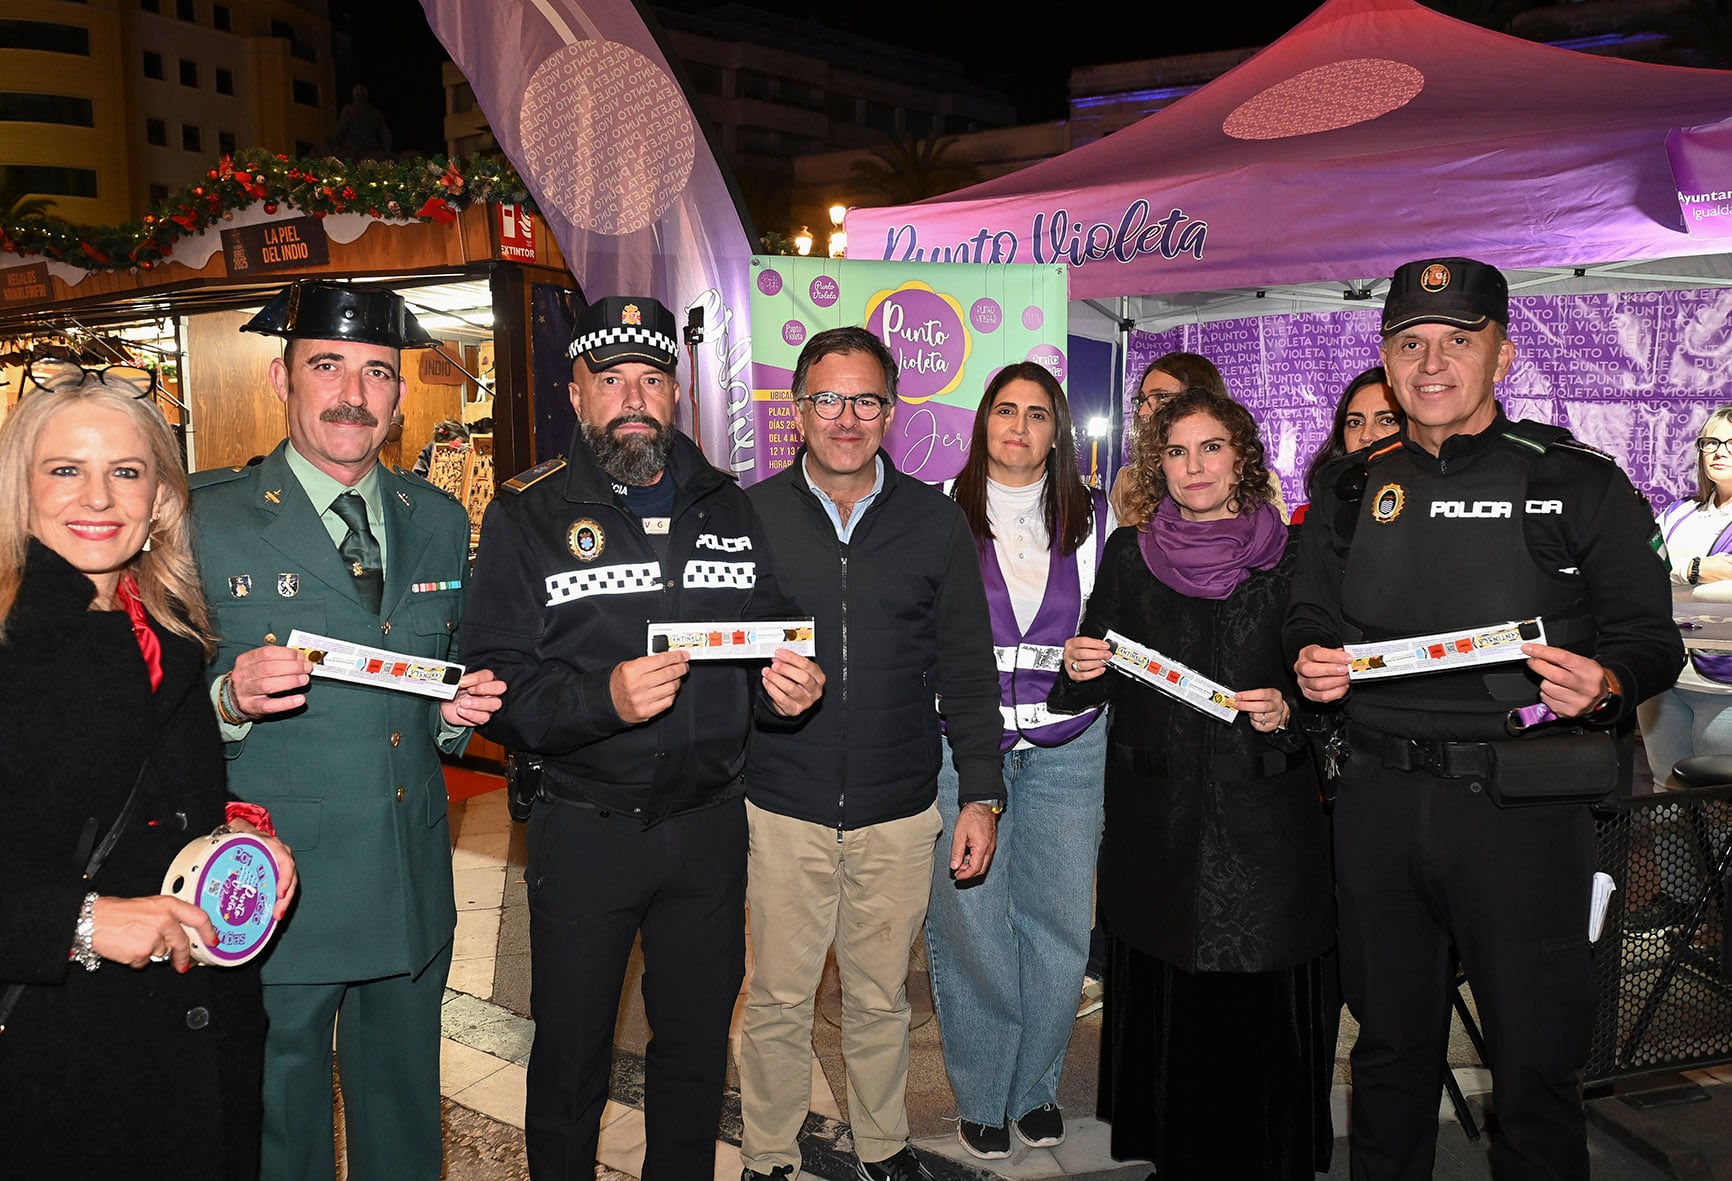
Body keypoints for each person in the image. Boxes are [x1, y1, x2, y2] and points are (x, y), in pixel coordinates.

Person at [1286, 256, 1685, 1180]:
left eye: (1459, 341)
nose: (1432, 363)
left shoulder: (1578, 482)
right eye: (1410, 343)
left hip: (1523, 814)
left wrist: (1609, 682)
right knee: (1388, 1055)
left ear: (1502, 355)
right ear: (1385, 361)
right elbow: (1310, 611)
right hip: (1379, 803)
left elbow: (1650, 637)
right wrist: (1310, 657)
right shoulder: (1350, 489)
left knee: (1536, 1068)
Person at [458, 295, 824, 1180]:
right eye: (611, 380)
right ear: (577, 394)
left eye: (651, 380)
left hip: (706, 829)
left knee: (696, 1051)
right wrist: (602, 700)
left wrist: (791, 687)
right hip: (585, 829)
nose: (633, 397)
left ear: (677, 392)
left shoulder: (729, 505)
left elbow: (773, 634)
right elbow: (494, 689)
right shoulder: (528, 515)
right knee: (572, 1056)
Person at [190, 280, 505, 1181]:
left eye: (376, 372)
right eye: (327, 366)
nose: (352, 395)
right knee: (277, 1124)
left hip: (408, 880)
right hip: (276, 888)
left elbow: (430, 688)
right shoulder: (209, 519)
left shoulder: (437, 521)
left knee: (404, 1119)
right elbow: (159, 703)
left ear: (400, 394)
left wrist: (454, 720)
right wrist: (227, 697)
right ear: (282, 378)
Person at [0, 365, 295, 1177]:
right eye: (66, 470)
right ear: (19, 491)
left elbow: (170, 802)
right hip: (60, 1060)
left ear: (161, 496)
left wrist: (241, 841)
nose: (98, 497)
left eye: (125, 471)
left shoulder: (168, 633)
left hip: (199, 1037)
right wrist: (82, 920)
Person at [738, 326, 1005, 1181]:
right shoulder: (749, 517)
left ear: (890, 411)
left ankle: (883, 1144)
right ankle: (769, 1153)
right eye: (826, 398)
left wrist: (982, 793)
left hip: (898, 809)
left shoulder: (935, 523)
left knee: (881, 999)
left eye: (864, 400)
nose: (845, 418)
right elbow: (720, 660)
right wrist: (757, 695)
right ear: (798, 410)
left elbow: (967, 666)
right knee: (777, 998)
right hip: (782, 804)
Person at [1053, 389, 1335, 1179]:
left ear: (1242, 456)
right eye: (1176, 452)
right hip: (1160, 824)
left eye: (1210, 448)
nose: (1193, 467)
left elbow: (1332, 687)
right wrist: (1080, 668)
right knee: (1172, 992)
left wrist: (1292, 707)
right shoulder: (1128, 553)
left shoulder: (1294, 556)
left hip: (1267, 823)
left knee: (1256, 997)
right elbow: (1094, 675)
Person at [921, 362, 1111, 1160]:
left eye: (1038, 414)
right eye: (1006, 409)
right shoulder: (936, 513)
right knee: (972, 925)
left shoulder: (1094, 517)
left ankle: (1034, 1087)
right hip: (965, 750)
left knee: (1061, 923)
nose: (1020, 426)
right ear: (984, 420)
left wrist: (1104, 655)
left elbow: (1123, 627)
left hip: (1071, 747)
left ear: (1056, 432)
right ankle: (982, 1089)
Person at [1635, 406, 1732, 924]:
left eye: (1730, 444)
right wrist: (1699, 571)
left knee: (1723, 803)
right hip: (1665, 674)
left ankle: (1722, 913)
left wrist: (1678, 570)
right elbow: (1640, 569)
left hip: (1726, 688)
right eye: (1709, 443)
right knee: (1663, 791)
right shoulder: (1677, 513)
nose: (1717, 452)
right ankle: (1678, 899)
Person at [1108, 352, 1228, 524]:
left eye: (1160, 397)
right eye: (1142, 400)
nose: (1143, 412)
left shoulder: (1246, 480)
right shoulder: (1129, 482)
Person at [1290, 366, 1403, 525]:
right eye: (1355, 422)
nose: (1366, 435)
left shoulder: (1435, 507)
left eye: (1387, 420)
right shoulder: (1310, 518)